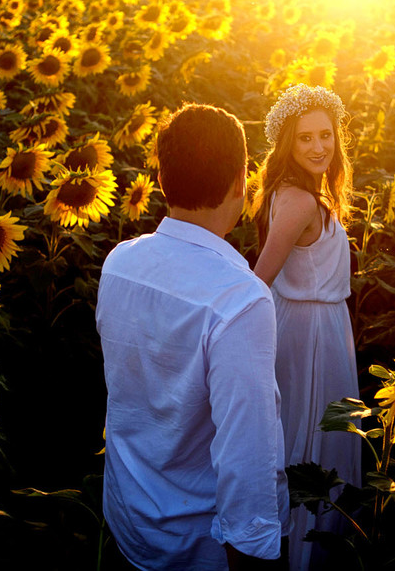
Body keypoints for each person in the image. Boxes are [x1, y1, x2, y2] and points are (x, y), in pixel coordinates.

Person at [96, 103, 289, 570]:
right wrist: (259, 554)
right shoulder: (240, 301)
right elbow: (247, 452)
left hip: (126, 520)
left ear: (162, 180)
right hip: (195, 545)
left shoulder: (119, 263)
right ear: (242, 182)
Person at [252, 84, 361, 571]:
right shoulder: (298, 201)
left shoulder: (297, 193)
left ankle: (300, 549)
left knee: (309, 432)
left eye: (326, 135)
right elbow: (261, 281)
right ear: (286, 146)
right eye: (305, 139)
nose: (319, 147)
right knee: (312, 438)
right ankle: (303, 555)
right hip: (309, 333)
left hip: (318, 322)